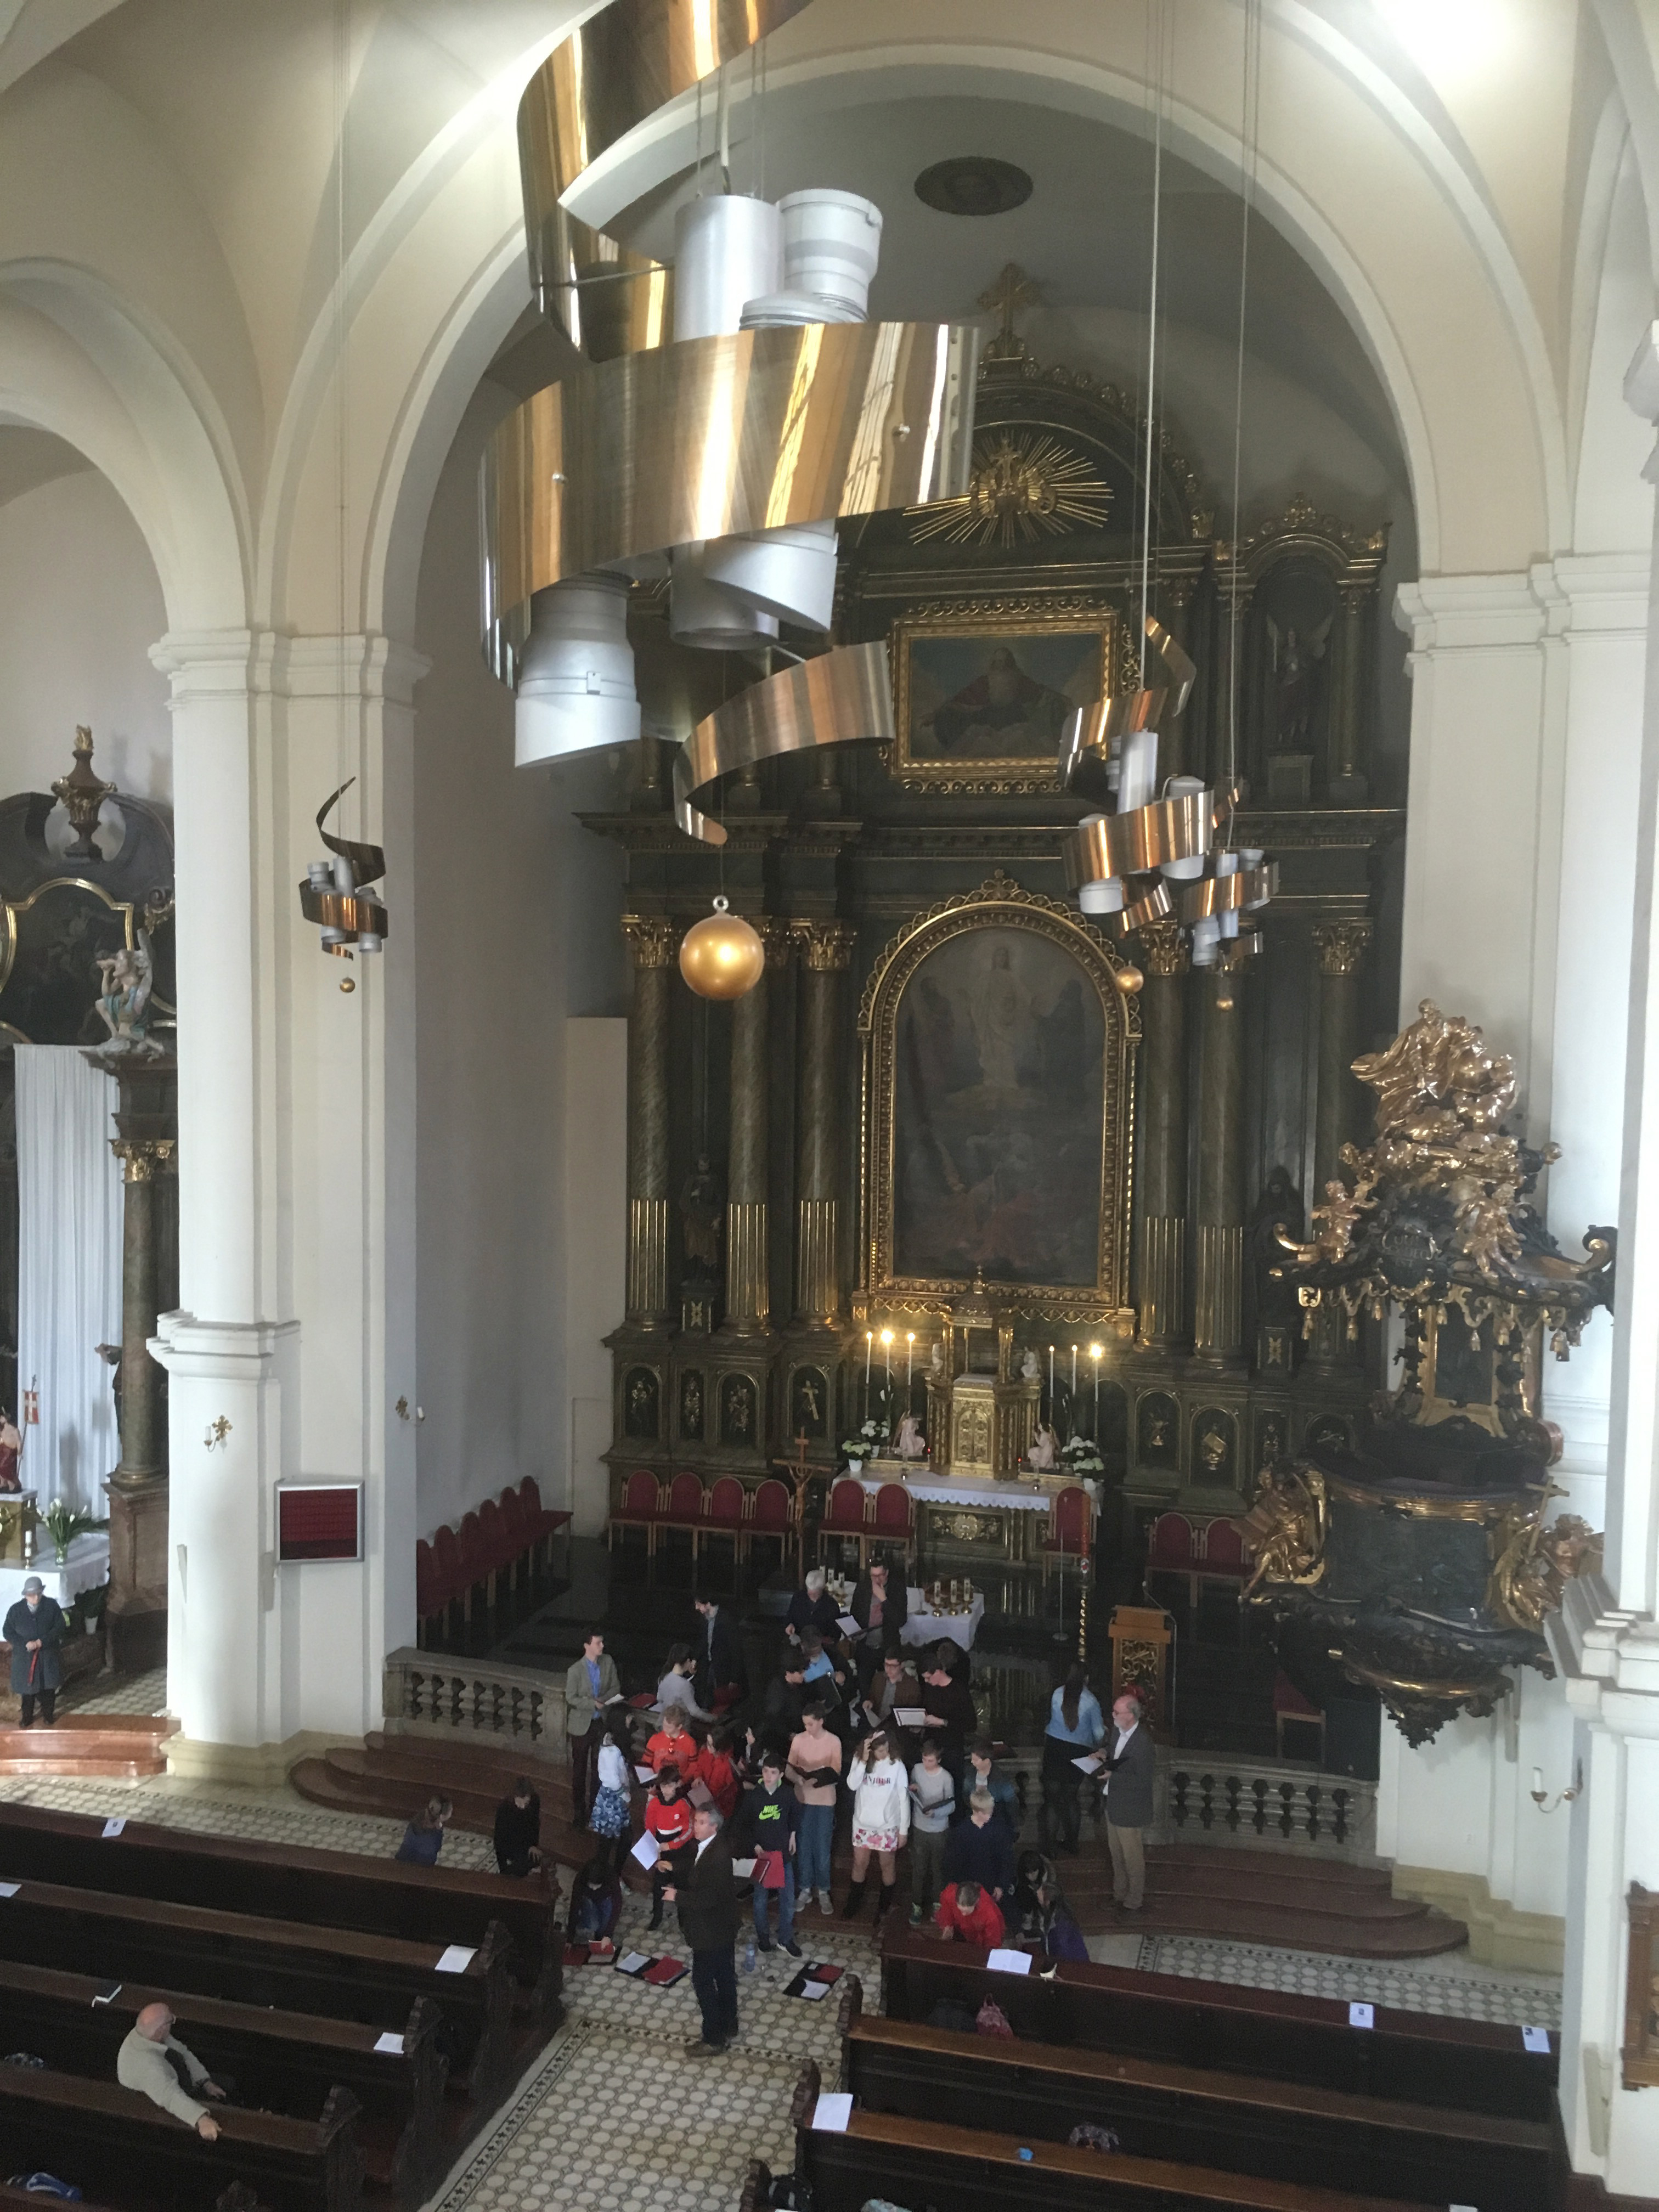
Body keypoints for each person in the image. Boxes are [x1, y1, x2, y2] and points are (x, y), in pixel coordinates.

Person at [664, 1805, 740, 2057]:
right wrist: (673, 1867)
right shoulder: (709, 1847)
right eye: (695, 1821)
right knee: (725, 1976)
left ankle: (714, 2038)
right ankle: (729, 2024)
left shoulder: (717, 1857)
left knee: (703, 1981)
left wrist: (678, 1896)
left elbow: (709, 1898)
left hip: (711, 1931)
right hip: (723, 1927)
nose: (695, 1826)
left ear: (714, 1827)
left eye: (702, 1822)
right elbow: (696, 1866)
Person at [117, 2001, 227, 2138]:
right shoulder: (148, 2065)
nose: (173, 2022)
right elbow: (170, 2096)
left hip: (180, 2079)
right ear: (160, 2030)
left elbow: (183, 2052)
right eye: (171, 2020)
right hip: (156, 2105)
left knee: (227, 2085)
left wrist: (205, 2082)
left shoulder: (151, 2034)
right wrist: (201, 2119)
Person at [734, 1746, 801, 1957]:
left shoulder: (788, 1794)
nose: (769, 1776)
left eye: (773, 1773)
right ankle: (763, 1937)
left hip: (783, 1854)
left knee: (788, 1899)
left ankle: (785, 1939)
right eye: (765, 1772)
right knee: (760, 1899)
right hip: (762, 1855)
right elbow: (742, 1825)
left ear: (781, 1774)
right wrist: (754, 1845)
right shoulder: (754, 1797)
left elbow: (795, 1816)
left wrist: (793, 1835)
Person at [843, 1726, 909, 1923]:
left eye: (886, 1749)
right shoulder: (860, 1760)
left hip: (887, 1825)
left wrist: (903, 1831)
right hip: (863, 1824)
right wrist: (862, 1761)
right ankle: (854, 1902)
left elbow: (904, 1798)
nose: (884, 1753)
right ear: (870, 1749)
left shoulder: (897, 1765)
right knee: (859, 1863)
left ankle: (884, 1905)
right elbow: (852, 1785)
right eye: (880, 1750)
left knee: (886, 1865)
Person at [1040, 1662, 1104, 1856]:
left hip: (1054, 1747)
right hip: (1078, 1751)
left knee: (1051, 1799)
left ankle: (1049, 1847)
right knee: (1070, 1797)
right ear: (1087, 1679)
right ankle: (1072, 1843)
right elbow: (1098, 1732)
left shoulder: (1057, 1693)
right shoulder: (1092, 1700)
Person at [786, 1699, 843, 1918]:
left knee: (822, 1848)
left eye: (810, 1724)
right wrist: (800, 1780)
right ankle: (806, 1888)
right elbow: (790, 1769)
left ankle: (824, 1889)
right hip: (803, 1798)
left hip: (825, 1799)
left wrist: (817, 1775)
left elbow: (835, 1770)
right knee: (804, 1844)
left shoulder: (833, 1741)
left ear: (821, 1722)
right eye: (805, 1724)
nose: (807, 1728)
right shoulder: (799, 1740)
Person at [1103, 1690, 1156, 1914]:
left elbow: (1143, 1780)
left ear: (1131, 1715)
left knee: (1132, 1859)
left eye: (1117, 1712)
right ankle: (1119, 1894)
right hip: (1113, 1804)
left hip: (1131, 1809)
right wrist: (1101, 1755)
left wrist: (1112, 1775)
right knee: (1116, 1855)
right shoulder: (1117, 1733)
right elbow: (1112, 1754)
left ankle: (1134, 1901)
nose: (1113, 1715)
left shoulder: (1143, 1743)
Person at [564, 1629, 620, 1826]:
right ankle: (579, 1813)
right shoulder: (575, 1670)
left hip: (600, 1723)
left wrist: (602, 1701)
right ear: (587, 1646)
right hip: (581, 1725)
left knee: (599, 1770)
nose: (602, 1646)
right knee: (579, 1771)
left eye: (602, 1642)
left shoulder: (608, 1662)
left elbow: (615, 1687)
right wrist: (592, 1704)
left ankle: (595, 1810)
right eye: (598, 1643)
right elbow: (570, 1697)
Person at [4, 1575, 65, 1729]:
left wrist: (42, 1642)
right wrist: (24, 1643)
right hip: (26, 1658)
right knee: (28, 1692)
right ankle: (27, 1717)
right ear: (25, 1595)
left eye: (39, 1594)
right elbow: (8, 1631)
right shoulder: (16, 1610)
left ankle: (48, 1715)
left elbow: (59, 1627)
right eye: (32, 1595)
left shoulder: (52, 1606)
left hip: (46, 1656)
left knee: (48, 1689)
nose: (36, 1598)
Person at [906, 1735, 955, 1927]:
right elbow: (911, 1791)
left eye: (931, 1761)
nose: (927, 1764)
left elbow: (951, 1805)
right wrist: (913, 1788)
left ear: (939, 1760)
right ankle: (916, 1905)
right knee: (919, 1868)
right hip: (920, 1828)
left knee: (938, 1869)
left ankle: (937, 1905)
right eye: (925, 1760)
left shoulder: (946, 1778)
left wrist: (936, 1813)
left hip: (939, 1830)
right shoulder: (917, 1770)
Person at [1010, 1849, 1091, 1962]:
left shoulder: (1059, 1928)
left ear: (1047, 1902)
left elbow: (1061, 1955)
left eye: (1040, 1895)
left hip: (1072, 1964)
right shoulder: (1054, 1916)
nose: (1037, 1893)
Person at [943, 1788, 1015, 1906]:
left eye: (991, 1811)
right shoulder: (961, 1832)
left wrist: (1002, 1886)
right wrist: (960, 1888)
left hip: (993, 1886)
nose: (990, 1815)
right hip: (968, 1888)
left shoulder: (999, 1830)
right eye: (986, 1813)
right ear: (976, 1811)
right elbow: (953, 1863)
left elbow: (1007, 1860)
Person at [919, 1654, 977, 1798]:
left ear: (938, 1672)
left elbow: (971, 1724)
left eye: (928, 1677)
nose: (926, 1681)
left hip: (952, 1747)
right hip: (932, 1744)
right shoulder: (930, 1689)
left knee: (953, 1788)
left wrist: (942, 1722)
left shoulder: (959, 1690)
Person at [645, 1764, 695, 1929]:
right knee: (658, 1886)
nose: (667, 1789)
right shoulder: (654, 1804)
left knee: (682, 1886)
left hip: (680, 1852)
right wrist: (656, 1851)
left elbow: (689, 1831)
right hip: (661, 1849)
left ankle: (685, 1920)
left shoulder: (683, 1804)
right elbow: (649, 1829)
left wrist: (672, 1845)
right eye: (664, 1785)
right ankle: (656, 1917)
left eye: (671, 1785)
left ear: (677, 1784)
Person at [588, 1711, 634, 1868]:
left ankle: (611, 1875)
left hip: (615, 1797)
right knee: (608, 1842)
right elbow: (612, 1779)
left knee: (615, 1839)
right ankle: (607, 1876)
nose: (630, 1721)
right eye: (628, 1718)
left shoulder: (616, 1744)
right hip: (614, 1799)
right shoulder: (611, 1750)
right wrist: (626, 1796)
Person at [692, 1593, 747, 1712]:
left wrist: (735, 1677)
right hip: (710, 1663)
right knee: (708, 1693)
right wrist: (696, 1658)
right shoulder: (705, 1620)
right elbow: (704, 1641)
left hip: (723, 1666)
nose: (697, 1608)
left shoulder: (726, 1620)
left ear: (708, 1604)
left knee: (722, 1697)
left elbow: (735, 1650)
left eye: (699, 1604)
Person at [850, 1556, 907, 1661]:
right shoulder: (863, 1587)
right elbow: (854, 1613)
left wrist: (884, 1600)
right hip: (865, 1646)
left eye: (880, 1575)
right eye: (873, 1576)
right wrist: (856, 1632)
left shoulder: (897, 1589)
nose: (877, 1580)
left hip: (888, 1648)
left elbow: (901, 1621)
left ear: (887, 1573)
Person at [566, 1857, 623, 1946]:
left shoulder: (612, 1877)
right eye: (591, 1886)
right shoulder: (580, 1879)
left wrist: (607, 1935)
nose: (594, 1889)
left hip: (606, 1899)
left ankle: (599, 1939)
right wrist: (570, 1938)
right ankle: (579, 1925)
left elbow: (617, 1905)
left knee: (605, 1923)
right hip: (588, 1900)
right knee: (593, 1925)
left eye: (597, 1886)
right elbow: (575, 1906)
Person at [968, 1734, 1019, 1834]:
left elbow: (1011, 1805)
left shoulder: (1002, 1780)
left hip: (996, 1825)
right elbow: (966, 1797)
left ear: (987, 1761)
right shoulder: (969, 1775)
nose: (972, 1762)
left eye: (976, 1760)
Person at [493, 1776, 543, 1877]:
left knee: (537, 1859)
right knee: (519, 1868)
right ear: (514, 1797)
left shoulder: (535, 1801)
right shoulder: (504, 1809)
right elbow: (499, 1840)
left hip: (525, 1842)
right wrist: (503, 1868)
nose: (523, 1806)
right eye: (520, 1802)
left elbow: (535, 1825)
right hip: (510, 1843)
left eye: (526, 1802)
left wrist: (533, 1845)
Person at [935, 1877, 1005, 1948]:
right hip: (960, 1930)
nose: (964, 1914)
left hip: (981, 1937)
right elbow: (946, 1909)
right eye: (961, 1910)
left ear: (976, 1902)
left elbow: (992, 1942)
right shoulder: (950, 1895)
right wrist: (948, 1926)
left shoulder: (990, 1914)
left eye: (967, 1912)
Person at [785, 1567, 840, 1646]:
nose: (812, 1596)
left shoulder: (831, 1605)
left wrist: (821, 1640)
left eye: (815, 1594)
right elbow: (790, 1616)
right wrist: (790, 1625)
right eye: (810, 1593)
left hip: (821, 1647)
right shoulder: (798, 1597)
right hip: (798, 1644)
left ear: (823, 1589)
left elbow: (835, 1634)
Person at [657, 1643, 710, 1720]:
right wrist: (712, 1718)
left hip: (666, 1723)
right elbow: (694, 1712)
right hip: (680, 1726)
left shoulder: (663, 1678)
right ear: (688, 1661)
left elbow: (659, 1698)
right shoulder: (685, 1685)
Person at [645, 1703, 698, 1778]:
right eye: (664, 1725)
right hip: (656, 1782)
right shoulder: (655, 1739)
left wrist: (683, 1781)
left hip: (678, 1784)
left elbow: (693, 1765)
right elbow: (646, 1762)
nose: (664, 1729)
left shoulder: (690, 1743)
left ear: (679, 1726)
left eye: (669, 1727)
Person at [396, 1795, 452, 1865]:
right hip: (423, 1864)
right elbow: (436, 1847)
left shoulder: (418, 1819)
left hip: (403, 1858)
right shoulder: (434, 1835)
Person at [0, 1409, 21, 1492]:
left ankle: (13, 1485)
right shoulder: (3, 1430)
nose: (0, 1418)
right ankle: (3, 1484)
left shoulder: (14, 1430)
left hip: (10, 1452)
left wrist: (20, 1451)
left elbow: (19, 1441)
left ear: (7, 1418)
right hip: (2, 1450)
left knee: (5, 1468)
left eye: (2, 1417)